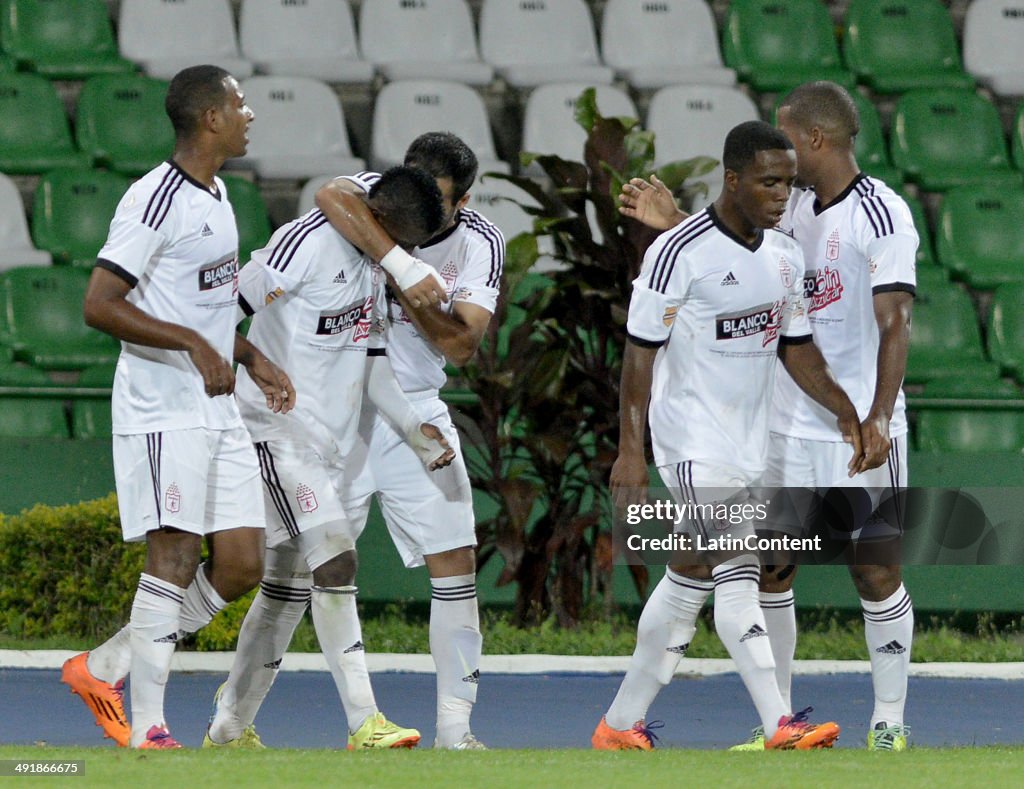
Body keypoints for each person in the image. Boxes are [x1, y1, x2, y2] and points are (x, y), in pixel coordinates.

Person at [618, 82, 917, 752]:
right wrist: (673, 225)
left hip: (863, 428)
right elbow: (726, 255)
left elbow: (895, 323)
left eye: (787, 135)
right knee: (768, 568)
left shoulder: (882, 214)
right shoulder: (787, 205)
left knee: (876, 570)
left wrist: (870, 414)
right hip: (780, 424)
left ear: (815, 140)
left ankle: (889, 717)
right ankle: (778, 717)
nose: (779, 174)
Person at [204, 132, 503, 750]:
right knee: (289, 582)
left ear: (463, 202)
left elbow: (461, 344)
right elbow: (328, 193)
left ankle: (455, 730)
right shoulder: (371, 203)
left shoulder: (480, 241)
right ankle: (228, 720)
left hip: (410, 408)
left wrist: (407, 285)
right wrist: (398, 260)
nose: (407, 210)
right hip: (323, 410)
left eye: (438, 200)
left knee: (455, 561)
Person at [61, 65, 295, 750]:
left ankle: (105, 664)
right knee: (174, 551)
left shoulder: (221, 194)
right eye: (240, 103)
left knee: (244, 562)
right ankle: (150, 725)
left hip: (216, 405)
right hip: (162, 405)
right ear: (211, 119)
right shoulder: (154, 199)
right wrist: (195, 344)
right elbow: (99, 304)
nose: (250, 113)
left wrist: (250, 356)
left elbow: (207, 307)